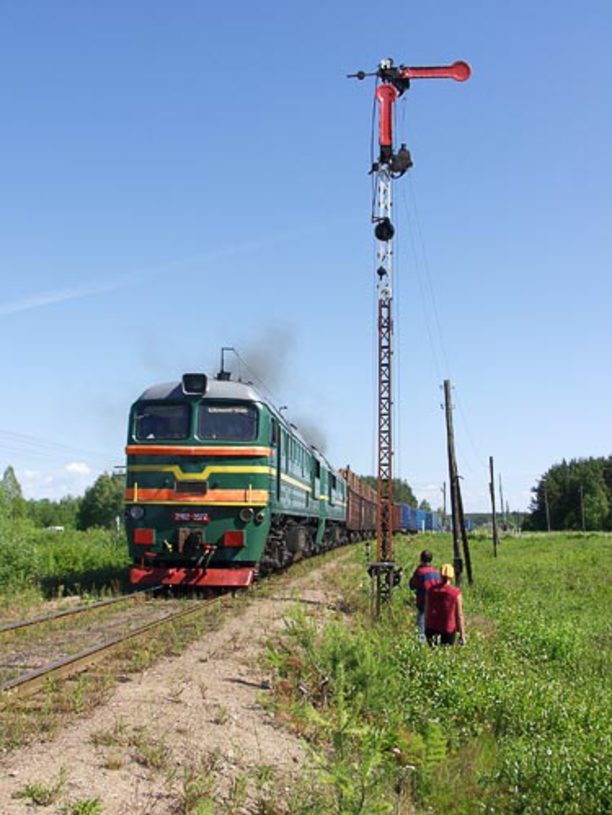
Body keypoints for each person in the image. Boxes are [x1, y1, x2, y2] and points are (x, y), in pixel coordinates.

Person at [424, 563, 466, 646]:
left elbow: (426, 610)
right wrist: (462, 635)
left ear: (440, 574)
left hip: (431, 627)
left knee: (432, 653)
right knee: (446, 654)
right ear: (452, 576)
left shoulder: (431, 591)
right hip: (448, 629)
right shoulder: (455, 593)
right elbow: (459, 615)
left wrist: (426, 627)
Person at [409, 550, 441, 641]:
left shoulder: (419, 572)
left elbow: (412, 585)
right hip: (435, 604)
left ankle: (421, 647)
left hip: (422, 604)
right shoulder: (436, 572)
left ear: (421, 559)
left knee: (421, 630)